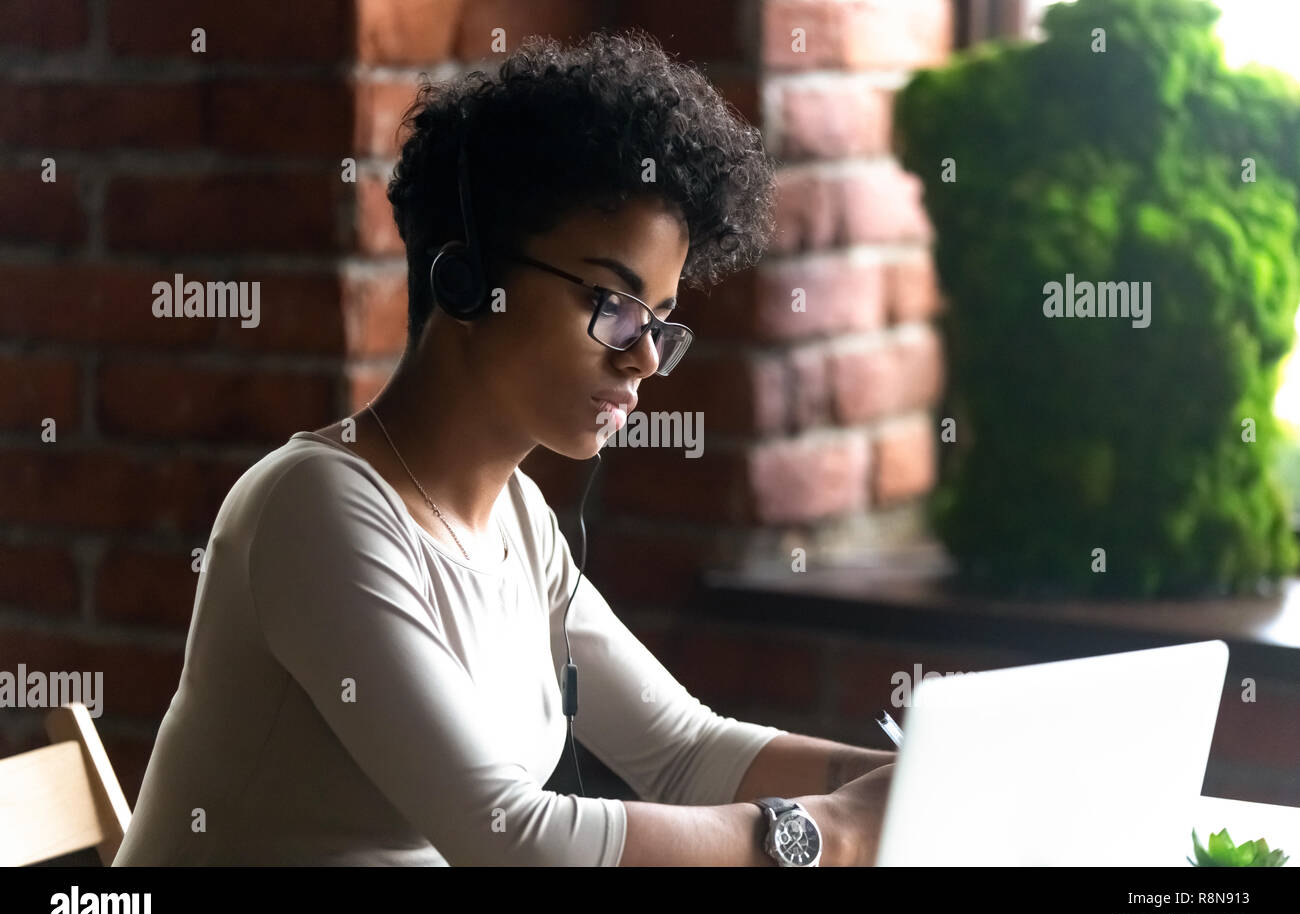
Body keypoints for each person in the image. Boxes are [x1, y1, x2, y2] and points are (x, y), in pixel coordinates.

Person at [113, 28, 895, 867]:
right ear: (466, 279)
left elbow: (683, 751)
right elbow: (511, 837)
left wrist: (909, 781)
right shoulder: (314, 507)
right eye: (613, 302)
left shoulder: (518, 521)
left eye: (660, 324)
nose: (641, 357)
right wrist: (835, 834)